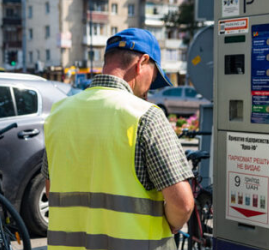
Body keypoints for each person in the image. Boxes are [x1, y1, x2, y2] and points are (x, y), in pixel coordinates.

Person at [42, 28, 194, 250]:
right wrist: (172, 226)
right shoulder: (145, 116)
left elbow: (50, 188)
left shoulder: (58, 113)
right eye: (154, 76)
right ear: (142, 63)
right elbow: (182, 204)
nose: (150, 87)